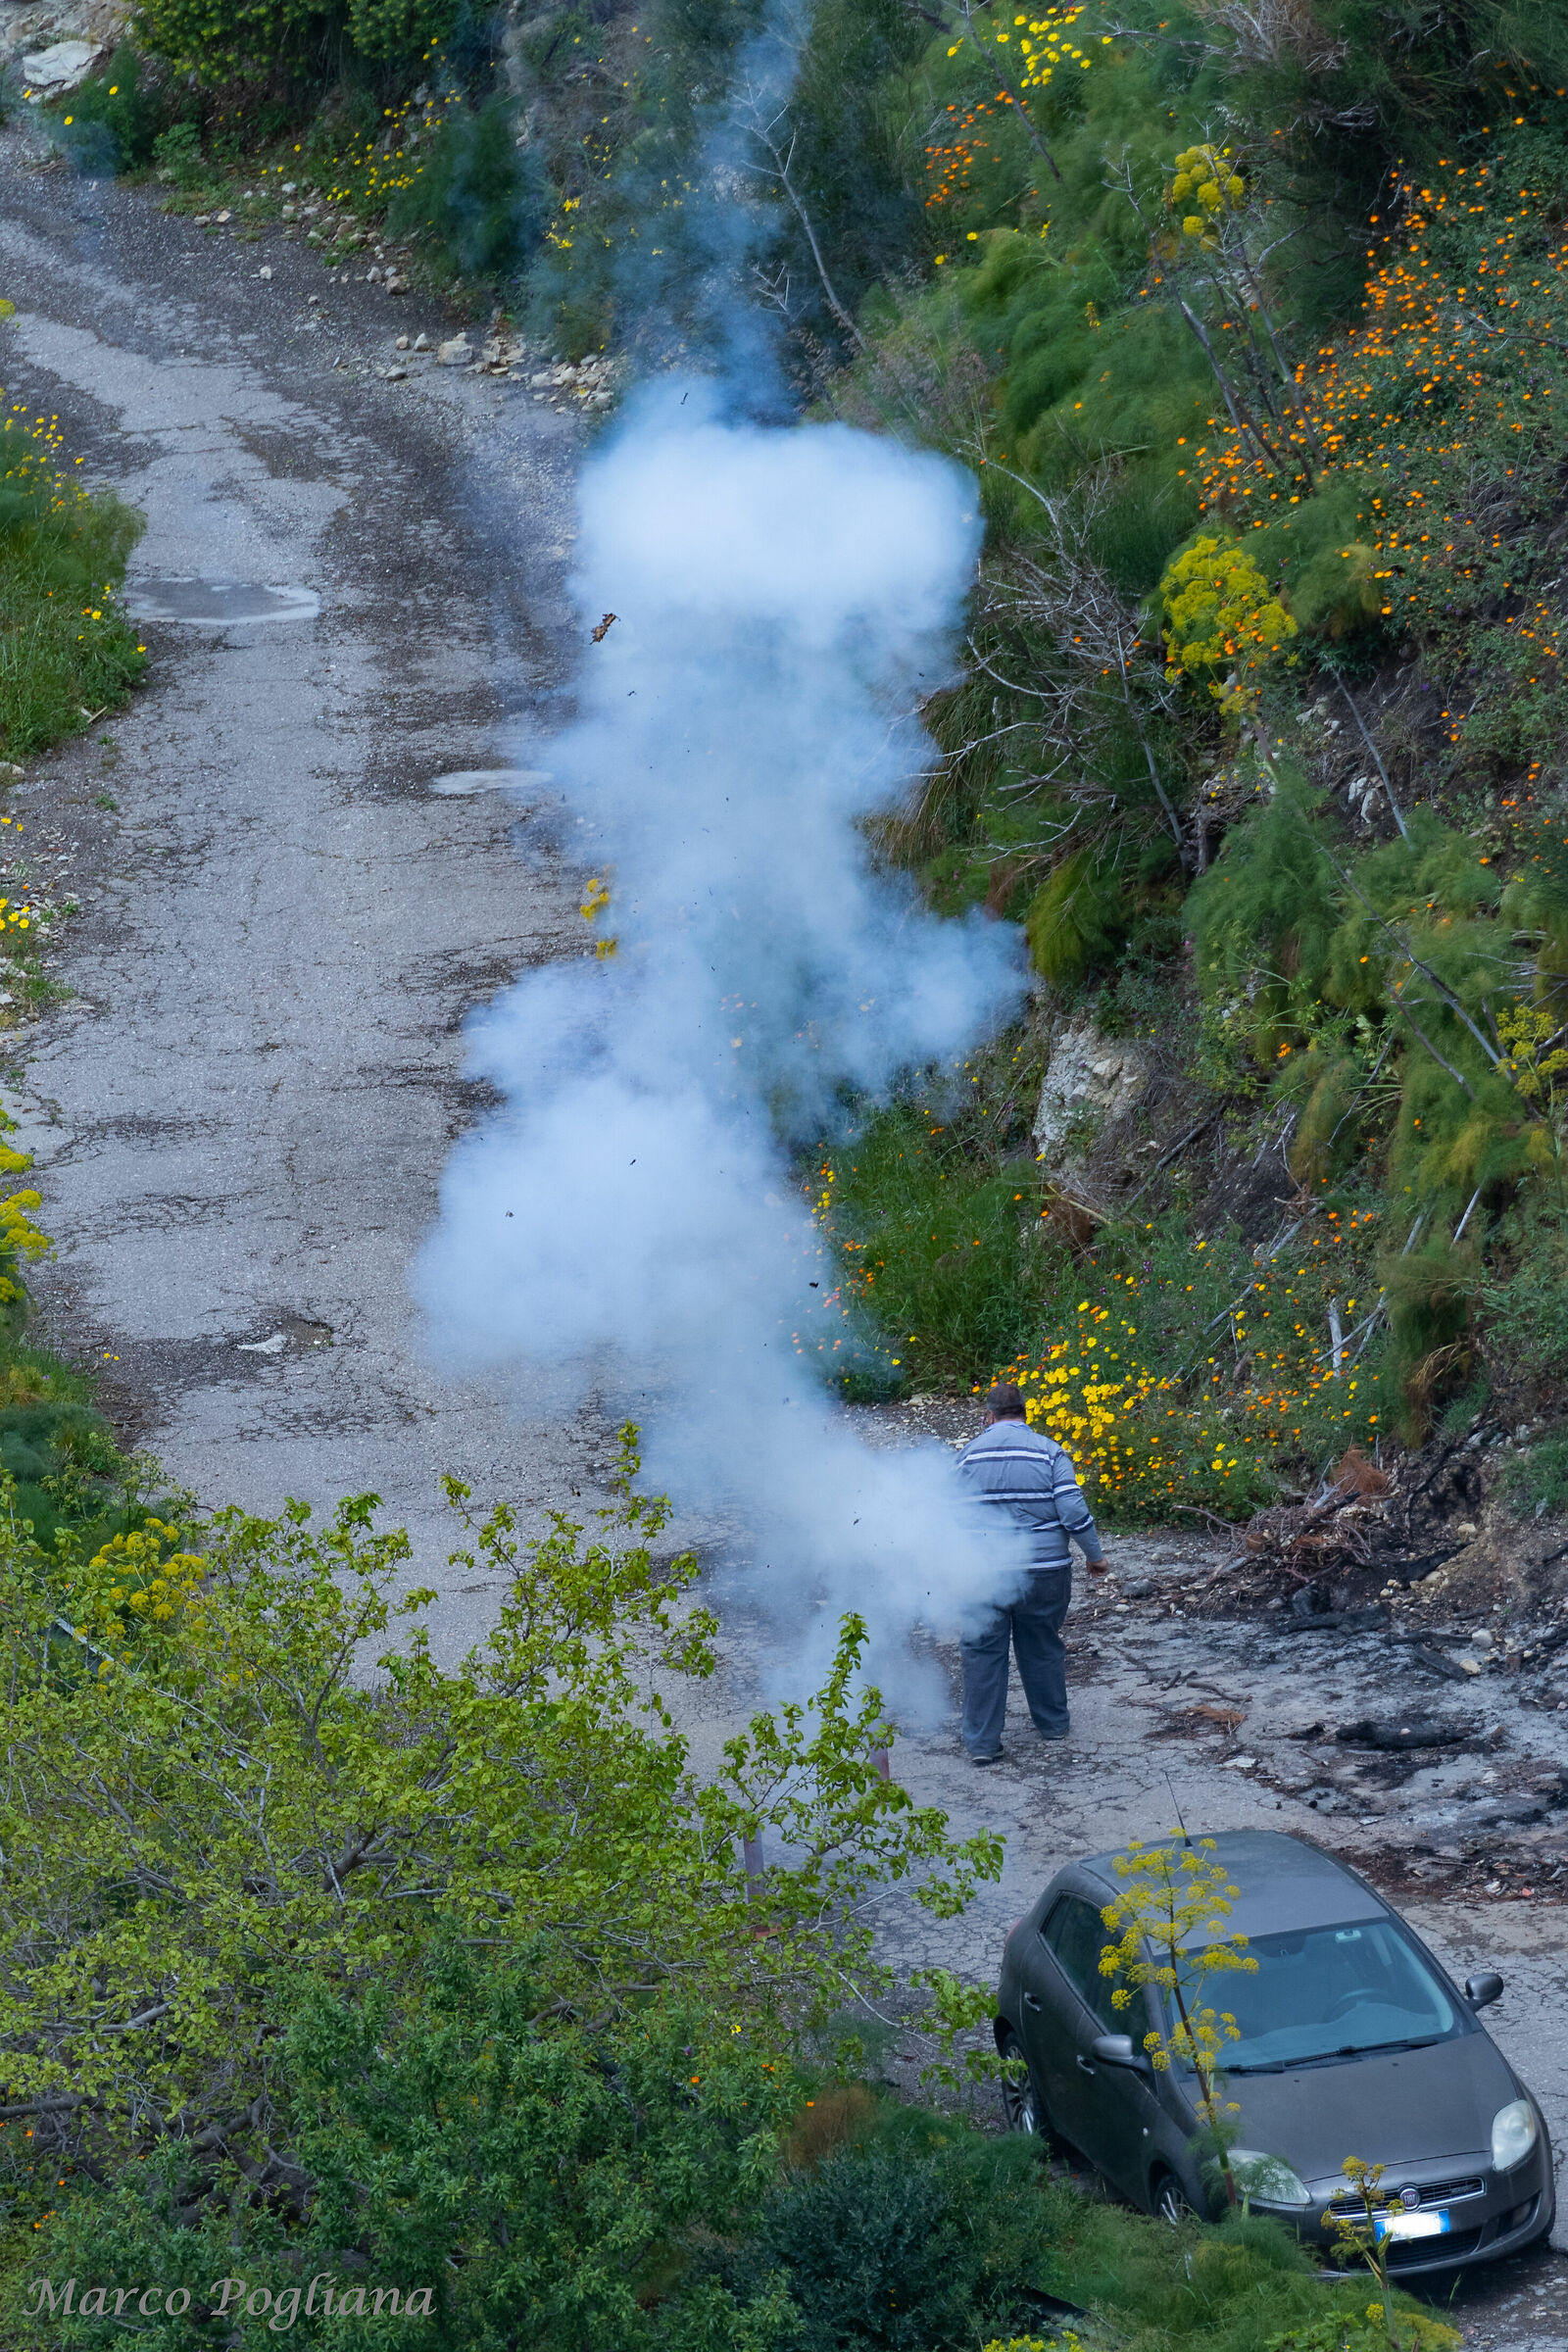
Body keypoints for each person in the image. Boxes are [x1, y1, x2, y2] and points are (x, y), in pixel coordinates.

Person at [955, 1380, 1108, 1764]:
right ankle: (1053, 1724)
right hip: (1044, 1571)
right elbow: (1072, 1511)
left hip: (982, 1573)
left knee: (982, 1652)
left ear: (987, 1417)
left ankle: (982, 1744)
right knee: (1041, 1642)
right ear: (1025, 1414)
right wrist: (1095, 1555)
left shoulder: (967, 1457)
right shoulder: (1049, 1452)